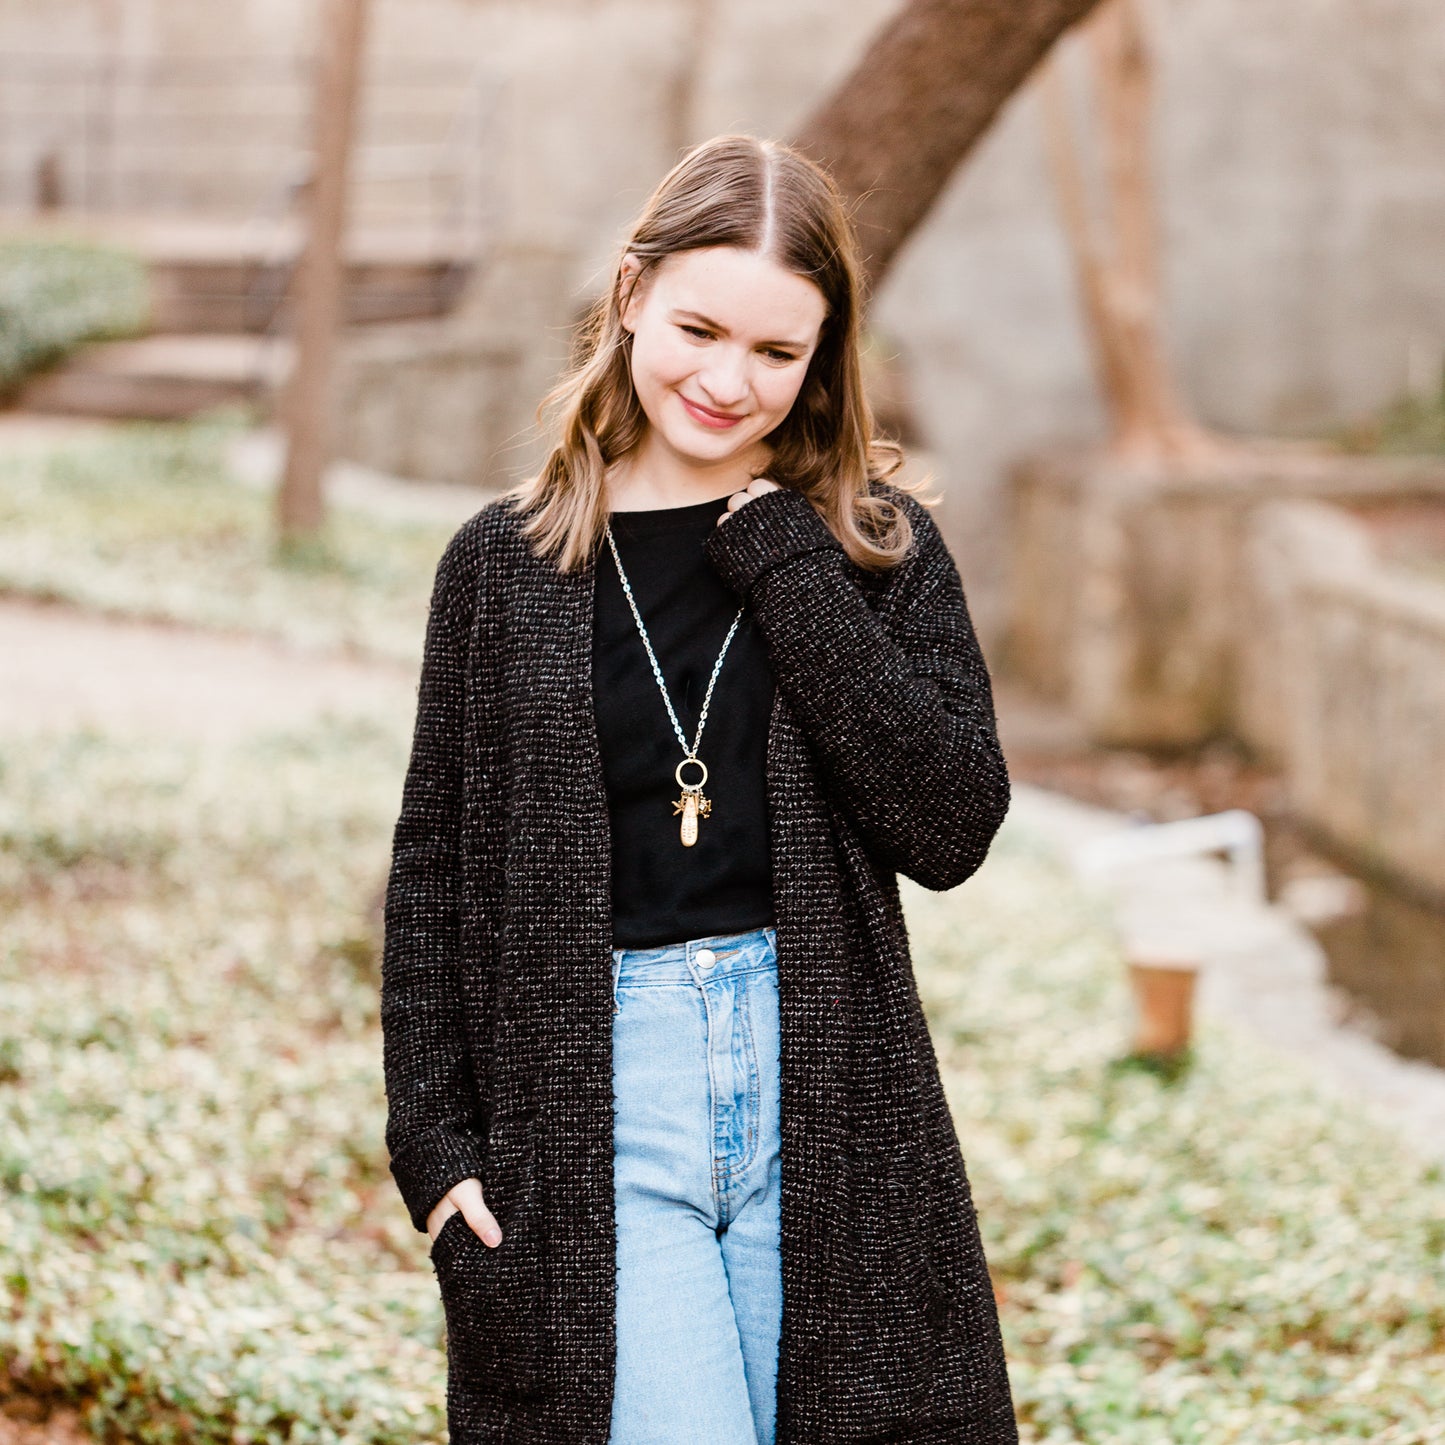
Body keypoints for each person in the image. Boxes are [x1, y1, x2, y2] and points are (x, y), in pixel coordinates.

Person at [380, 133, 1018, 1445]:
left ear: (820, 357)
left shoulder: (871, 549)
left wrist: (785, 556)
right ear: (629, 298)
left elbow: (950, 822)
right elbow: (433, 875)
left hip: (825, 1085)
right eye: (698, 327)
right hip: (601, 1092)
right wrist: (437, 1154)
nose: (727, 381)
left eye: (776, 353)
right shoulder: (503, 566)